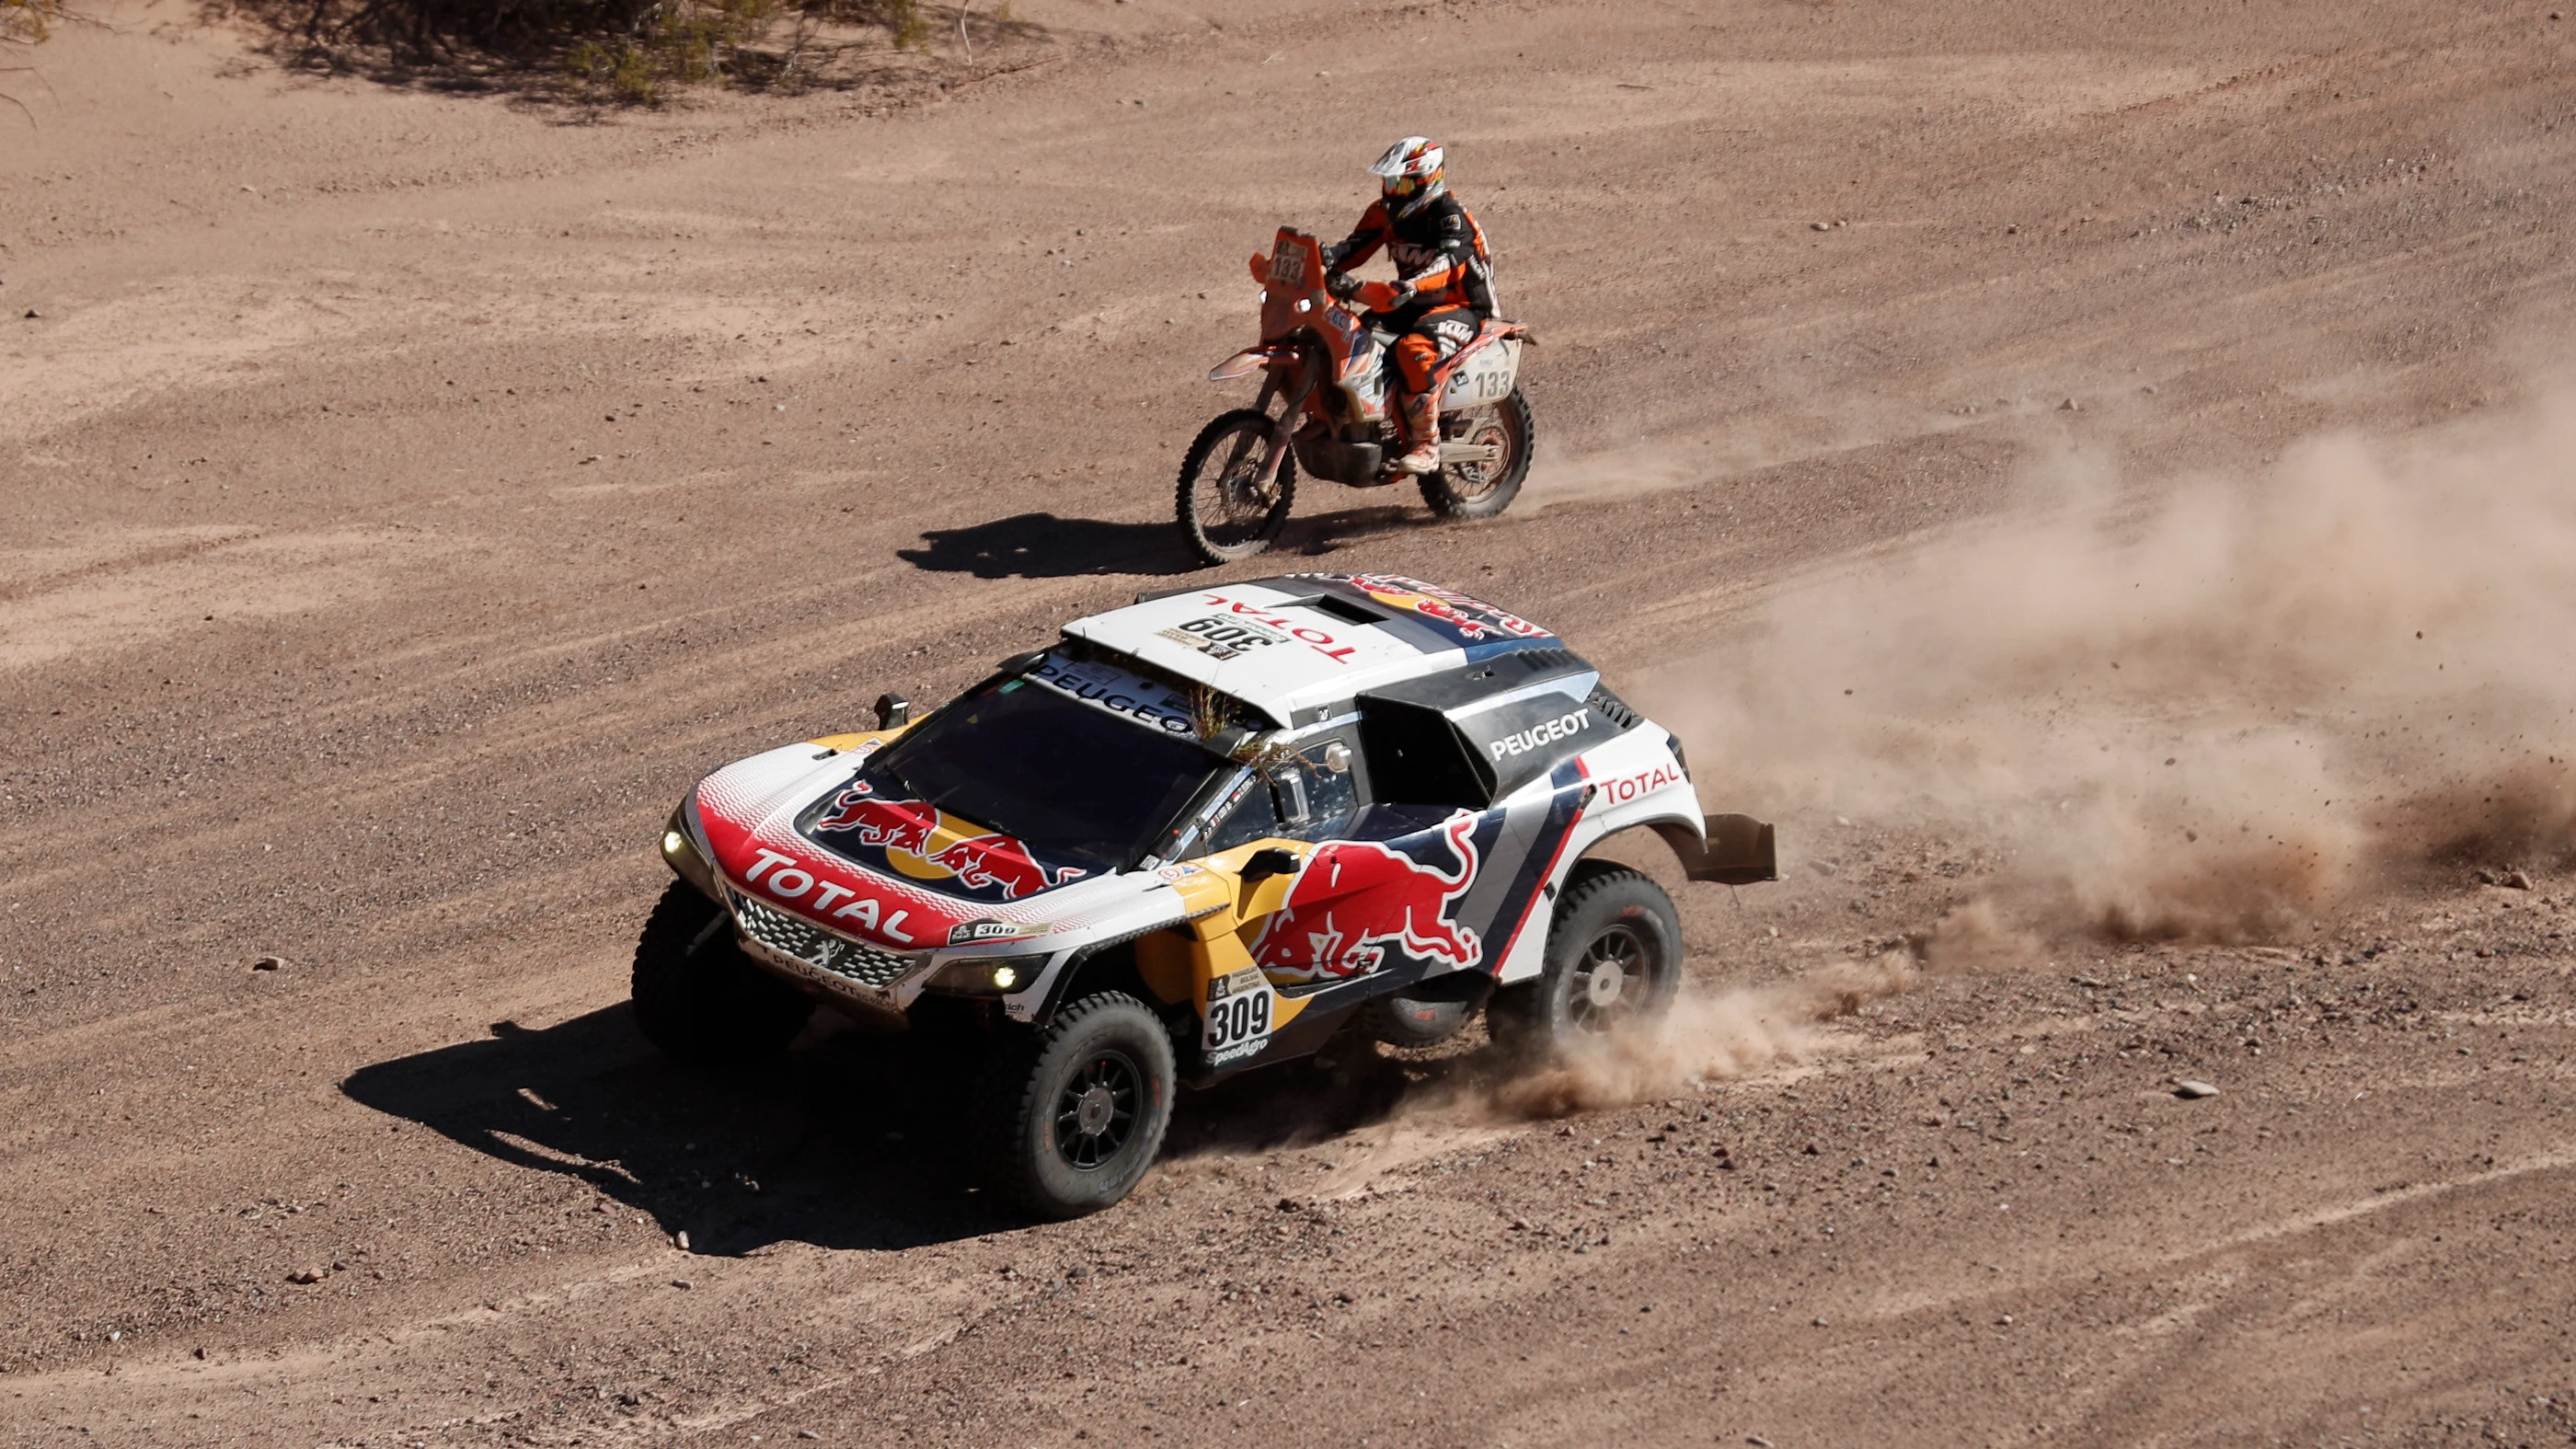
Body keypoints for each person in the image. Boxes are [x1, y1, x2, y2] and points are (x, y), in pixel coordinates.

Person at [1321, 136, 1498, 476]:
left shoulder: (1450, 217)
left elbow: (1450, 263)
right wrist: (1323, 259)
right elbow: (1354, 248)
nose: (1393, 190)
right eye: (1389, 182)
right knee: (1352, 335)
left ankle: (1427, 444)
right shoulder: (1384, 212)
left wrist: (1412, 284)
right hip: (1411, 302)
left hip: (1461, 305)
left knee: (1414, 349)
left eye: (1401, 182)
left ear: (1427, 180)